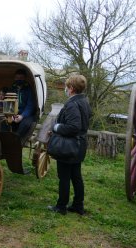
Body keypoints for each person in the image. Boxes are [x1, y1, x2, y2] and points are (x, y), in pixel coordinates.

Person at [47, 75, 91, 215]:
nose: (65, 89)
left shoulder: (72, 104)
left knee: (64, 177)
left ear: (71, 88)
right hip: (80, 144)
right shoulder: (84, 101)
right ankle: (78, 206)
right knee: (76, 176)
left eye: (67, 86)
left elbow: (74, 127)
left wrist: (56, 127)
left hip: (70, 145)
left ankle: (61, 207)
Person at [5, 69, 35, 138]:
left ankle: (17, 140)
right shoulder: (12, 89)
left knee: (26, 124)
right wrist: (11, 114)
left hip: (25, 114)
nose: (19, 79)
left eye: (21, 78)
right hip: (13, 112)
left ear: (25, 78)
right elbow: (8, 102)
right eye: (17, 78)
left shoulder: (28, 89)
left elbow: (30, 105)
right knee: (4, 121)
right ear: (14, 78)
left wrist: (22, 116)